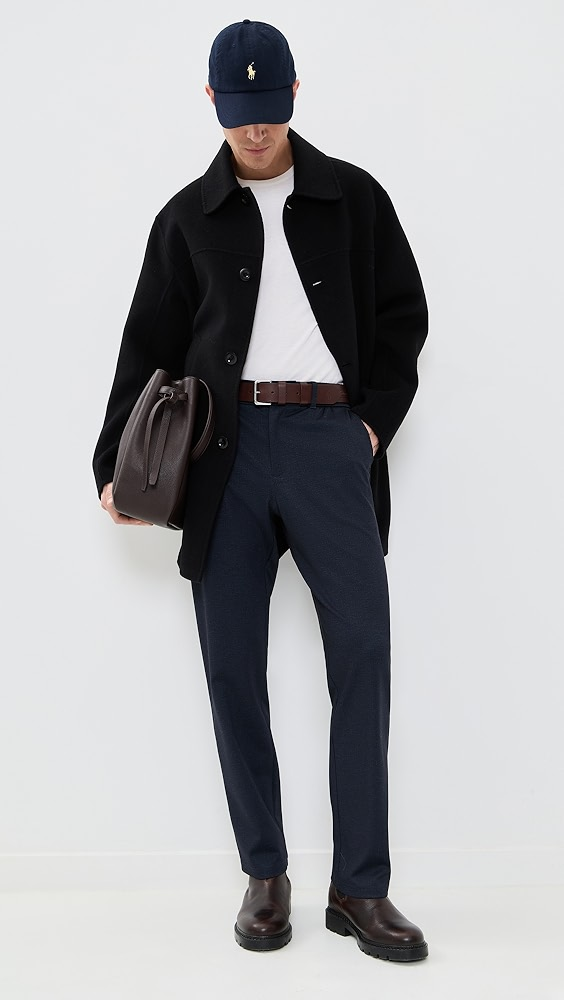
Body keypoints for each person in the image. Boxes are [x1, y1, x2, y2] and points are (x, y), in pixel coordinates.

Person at [93, 19, 429, 962]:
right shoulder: (187, 218)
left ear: (293, 95)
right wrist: (112, 463)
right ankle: (265, 875)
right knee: (232, 663)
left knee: (363, 651)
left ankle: (360, 887)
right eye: (239, 112)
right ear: (213, 102)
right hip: (224, 454)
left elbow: (403, 318)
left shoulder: (354, 197)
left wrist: (369, 426)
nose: (255, 129)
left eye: (269, 110)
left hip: (329, 441)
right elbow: (146, 347)